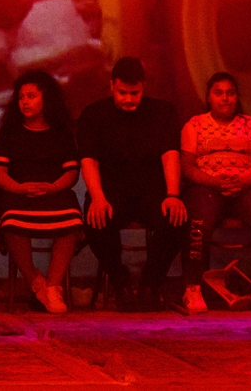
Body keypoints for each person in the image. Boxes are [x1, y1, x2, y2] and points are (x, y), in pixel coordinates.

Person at [77, 57, 188, 310]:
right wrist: (98, 198)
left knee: (177, 219)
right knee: (96, 221)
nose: (129, 99)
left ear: (143, 87)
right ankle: (120, 282)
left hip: (152, 189)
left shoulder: (162, 112)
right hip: (110, 190)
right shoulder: (93, 114)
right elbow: (89, 160)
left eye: (134, 93)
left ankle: (151, 282)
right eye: (122, 93)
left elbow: (170, 154)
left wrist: (173, 195)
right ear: (111, 86)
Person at [179, 71, 251, 314]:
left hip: (247, 186)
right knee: (197, 217)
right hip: (207, 186)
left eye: (230, 93)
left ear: (237, 97)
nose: (225, 98)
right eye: (219, 93)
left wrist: (243, 182)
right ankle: (193, 288)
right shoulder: (194, 125)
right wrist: (216, 182)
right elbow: (188, 167)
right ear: (209, 97)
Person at [0, 70, 84, 313]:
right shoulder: (10, 132)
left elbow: (72, 173)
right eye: (21, 97)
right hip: (17, 194)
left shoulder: (61, 133)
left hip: (54, 193)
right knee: (11, 221)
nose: (24, 102)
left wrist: (53, 187)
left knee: (73, 219)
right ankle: (36, 282)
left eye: (31, 96)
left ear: (47, 99)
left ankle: (53, 286)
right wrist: (19, 188)